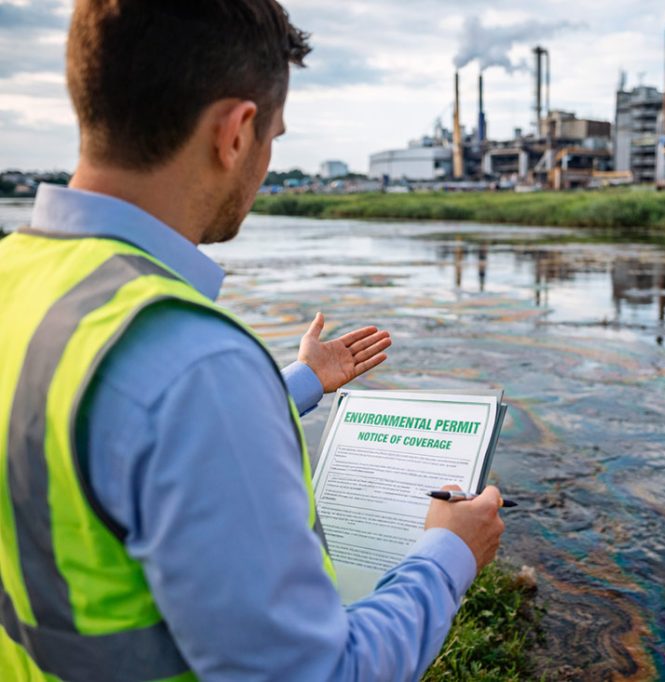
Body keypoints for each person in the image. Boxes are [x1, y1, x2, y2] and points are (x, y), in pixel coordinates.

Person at [0, 1, 505, 680]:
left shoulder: (19, 278)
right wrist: (447, 556)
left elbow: (90, 425)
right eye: (274, 137)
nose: (266, 164)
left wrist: (293, 384)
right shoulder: (195, 368)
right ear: (236, 132)